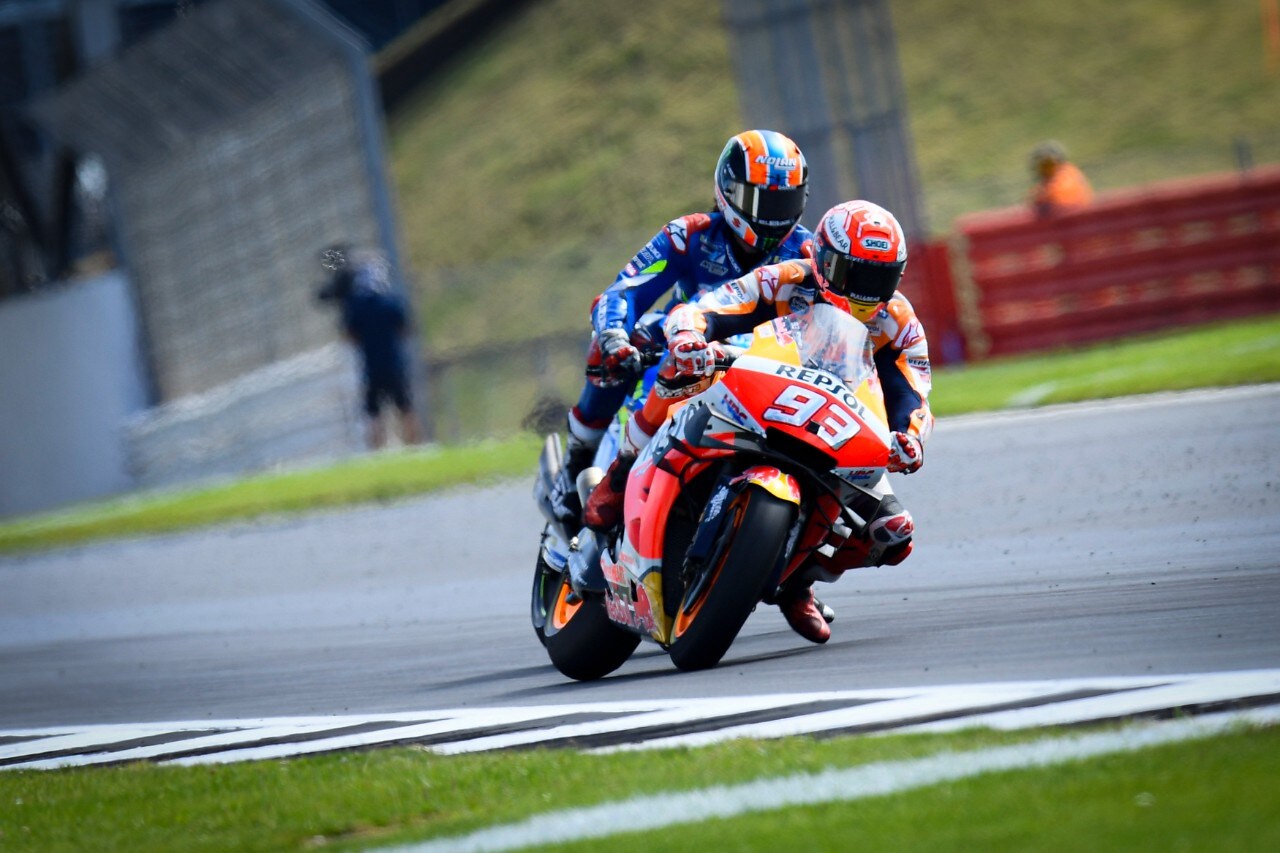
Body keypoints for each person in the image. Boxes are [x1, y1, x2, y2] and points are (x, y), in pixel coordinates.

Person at [584, 200, 933, 644]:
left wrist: (910, 437)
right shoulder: (785, 279)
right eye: (855, 274)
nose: (866, 291)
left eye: (880, 279)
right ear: (824, 261)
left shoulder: (900, 322)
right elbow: (710, 306)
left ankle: (797, 581)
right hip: (757, 386)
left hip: (838, 422)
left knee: (894, 534)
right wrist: (690, 335)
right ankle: (620, 472)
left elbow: (912, 393)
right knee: (677, 372)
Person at [548, 129, 815, 525]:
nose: (771, 215)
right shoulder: (689, 234)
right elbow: (624, 290)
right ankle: (578, 462)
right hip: (683, 349)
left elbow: (839, 323)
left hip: (764, 364)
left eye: (784, 202)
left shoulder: (810, 254)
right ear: (729, 192)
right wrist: (615, 336)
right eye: (760, 201)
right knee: (618, 345)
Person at [317, 243, 422, 450]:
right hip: (395, 364)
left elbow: (349, 336)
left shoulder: (356, 307)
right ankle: (416, 448)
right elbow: (407, 329)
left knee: (374, 413)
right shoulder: (390, 302)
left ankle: (378, 451)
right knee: (406, 408)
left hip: (370, 367)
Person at [1028, 140, 1093, 217]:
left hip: (1076, 218)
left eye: (1049, 165)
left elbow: (1059, 203)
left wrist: (1040, 201)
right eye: (1042, 167)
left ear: (1060, 163)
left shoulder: (1066, 179)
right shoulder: (1045, 185)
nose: (1046, 171)